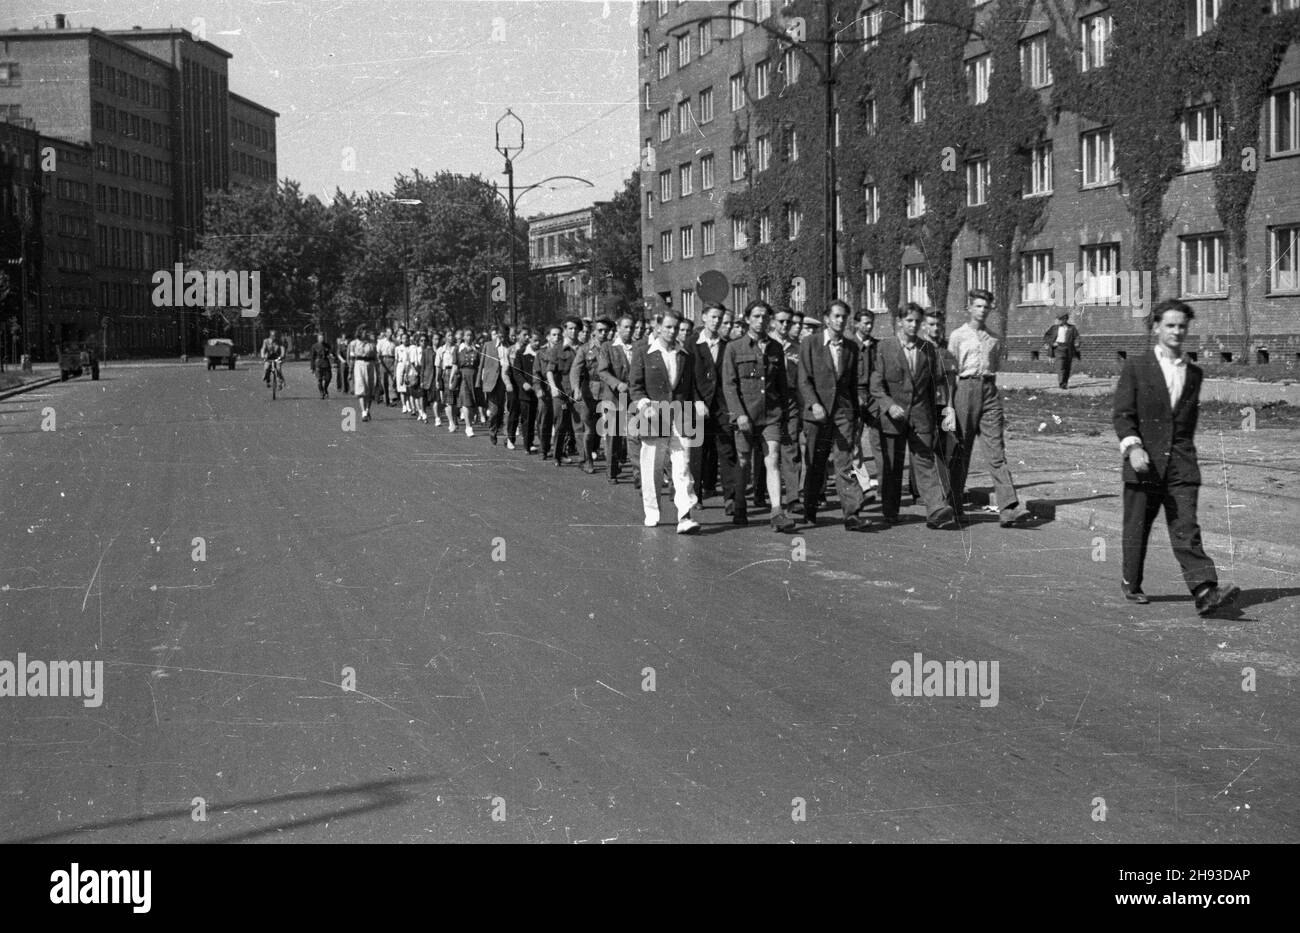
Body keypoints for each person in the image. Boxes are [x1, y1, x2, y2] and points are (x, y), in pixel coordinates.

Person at [1113, 299, 1240, 615]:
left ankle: (1204, 590)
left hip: (1180, 463)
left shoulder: (1194, 373)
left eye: (1182, 326)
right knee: (1138, 526)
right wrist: (1133, 447)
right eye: (1170, 325)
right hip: (1143, 462)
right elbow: (1123, 414)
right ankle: (1131, 581)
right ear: (1156, 327)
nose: (1177, 331)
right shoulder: (1137, 367)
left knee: (1186, 526)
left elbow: (1186, 423)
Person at [870, 304, 956, 529]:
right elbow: (876, 385)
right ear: (899, 321)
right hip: (893, 417)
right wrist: (888, 406)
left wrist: (936, 415)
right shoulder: (884, 347)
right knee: (893, 466)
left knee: (925, 462)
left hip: (920, 416)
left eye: (917, 322)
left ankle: (936, 509)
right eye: (909, 320)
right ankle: (890, 511)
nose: (913, 325)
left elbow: (933, 384)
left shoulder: (927, 349)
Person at [948, 290, 1029, 527]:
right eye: (978, 306)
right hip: (965, 389)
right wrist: (950, 406)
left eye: (986, 307)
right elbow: (952, 371)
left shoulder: (993, 338)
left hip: (989, 391)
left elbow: (994, 365)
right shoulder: (958, 336)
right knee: (961, 451)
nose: (982, 310)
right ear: (970, 308)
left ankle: (1008, 507)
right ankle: (954, 506)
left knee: (996, 451)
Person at [798, 300, 871, 531]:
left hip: (842, 414)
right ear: (827, 318)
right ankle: (809, 509)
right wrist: (813, 404)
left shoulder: (851, 347)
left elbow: (853, 383)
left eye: (844, 317)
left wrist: (856, 411)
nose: (840, 321)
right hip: (817, 414)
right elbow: (803, 379)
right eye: (836, 316)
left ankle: (852, 514)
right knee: (816, 463)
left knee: (844, 463)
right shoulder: (810, 343)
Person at [722, 300, 795, 533]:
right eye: (756, 316)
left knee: (772, 459)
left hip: (771, 415)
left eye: (764, 316)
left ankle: (776, 512)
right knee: (743, 461)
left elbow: (782, 384)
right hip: (745, 415)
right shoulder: (734, 348)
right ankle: (740, 504)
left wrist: (783, 412)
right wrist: (739, 414)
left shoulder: (775, 348)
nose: (761, 320)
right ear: (747, 319)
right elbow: (729, 385)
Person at [630, 309, 701, 534]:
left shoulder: (684, 355)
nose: (672, 332)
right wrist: (644, 404)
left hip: (680, 416)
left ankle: (685, 516)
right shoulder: (644, 352)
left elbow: (689, 388)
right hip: (653, 417)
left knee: (682, 467)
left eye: (676, 328)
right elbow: (635, 385)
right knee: (652, 467)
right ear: (658, 327)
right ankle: (652, 511)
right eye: (668, 327)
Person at [688, 304, 737, 511]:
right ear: (703, 318)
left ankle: (730, 498)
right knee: (698, 452)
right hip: (698, 406)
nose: (717, 321)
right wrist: (697, 400)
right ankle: (696, 496)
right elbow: (687, 377)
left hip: (722, 406)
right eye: (713, 317)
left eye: (720, 318)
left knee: (727, 451)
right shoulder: (692, 344)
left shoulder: (728, 345)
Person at [598, 314, 635, 484]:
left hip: (633, 397)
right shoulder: (608, 347)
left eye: (631, 327)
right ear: (618, 329)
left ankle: (638, 474)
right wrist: (616, 383)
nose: (629, 330)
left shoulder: (638, 347)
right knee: (613, 434)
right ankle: (612, 471)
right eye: (626, 327)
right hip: (613, 397)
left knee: (635, 435)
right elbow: (603, 371)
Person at [571, 318, 611, 473]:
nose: (603, 334)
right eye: (600, 330)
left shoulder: (612, 348)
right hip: (590, 393)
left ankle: (611, 464)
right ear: (594, 331)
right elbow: (575, 369)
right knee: (589, 429)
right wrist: (576, 388)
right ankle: (587, 460)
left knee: (609, 428)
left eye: (606, 331)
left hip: (608, 392)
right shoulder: (585, 349)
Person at [850, 309, 882, 500]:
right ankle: (863, 485)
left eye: (871, 323)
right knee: (853, 442)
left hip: (874, 397)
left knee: (879, 440)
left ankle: (884, 486)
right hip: (854, 395)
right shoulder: (849, 345)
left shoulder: (877, 346)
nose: (869, 327)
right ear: (856, 324)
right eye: (865, 323)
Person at [548, 317, 581, 466]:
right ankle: (557, 455)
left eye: (576, 329)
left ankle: (582, 456)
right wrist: (554, 387)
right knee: (561, 423)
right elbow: (549, 371)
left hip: (578, 392)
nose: (573, 331)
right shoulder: (557, 348)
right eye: (570, 328)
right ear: (565, 330)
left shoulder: (583, 348)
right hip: (561, 392)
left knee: (578, 424)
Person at [478, 325, 513, 444]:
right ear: (497, 334)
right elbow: (481, 364)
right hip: (492, 382)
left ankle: (507, 436)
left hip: (507, 381)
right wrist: (479, 382)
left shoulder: (510, 346)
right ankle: (493, 431)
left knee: (507, 409)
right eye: (501, 335)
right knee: (494, 411)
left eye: (505, 336)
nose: (503, 338)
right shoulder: (488, 345)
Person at [509, 328, 538, 452]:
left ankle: (531, 441)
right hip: (525, 391)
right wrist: (524, 383)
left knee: (534, 418)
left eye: (539, 341)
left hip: (538, 390)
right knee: (526, 418)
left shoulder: (541, 353)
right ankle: (527, 444)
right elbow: (516, 372)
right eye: (534, 340)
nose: (537, 343)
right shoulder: (521, 353)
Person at [535, 326, 558, 458]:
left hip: (559, 389)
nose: (556, 338)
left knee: (560, 422)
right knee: (544, 420)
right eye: (553, 335)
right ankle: (544, 448)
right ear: (548, 337)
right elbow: (536, 373)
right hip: (545, 390)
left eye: (558, 335)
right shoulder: (541, 353)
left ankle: (559, 451)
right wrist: (538, 389)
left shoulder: (564, 352)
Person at [1042, 311, 1082, 389]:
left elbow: (1077, 337)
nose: (1059, 321)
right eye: (1058, 319)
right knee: (1061, 365)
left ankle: (1065, 382)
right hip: (1059, 348)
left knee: (1067, 366)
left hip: (1069, 348)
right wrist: (1052, 343)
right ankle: (1061, 383)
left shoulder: (1072, 328)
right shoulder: (1054, 328)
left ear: (1065, 319)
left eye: (1061, 319)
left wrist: (1077, 343)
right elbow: (1046, 336)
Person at [454, 330, 479, 436]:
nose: (469, 337)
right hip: (463, 375)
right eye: (467, 335)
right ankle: (468, 427)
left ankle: (471, 422)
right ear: (464, 337)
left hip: (474, 376)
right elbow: (455, 365)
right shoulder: (458, 349)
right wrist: (452, 379)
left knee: (473, 403)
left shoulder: (477, 349)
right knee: (466, 401)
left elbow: (479, 364)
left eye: (471, 335)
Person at [352, 328, 378, 421]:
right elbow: (351, 357)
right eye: (364, 332)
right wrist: (350, 370)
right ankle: (363, 412)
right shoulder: (354, 343)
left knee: (370, 388)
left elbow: (375, 356)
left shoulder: (372, 344)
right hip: (359, 364)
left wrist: (377, 370)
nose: (366, 333)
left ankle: (367, 409)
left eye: (367, 332)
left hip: (370, 365)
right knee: (361, 388)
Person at [376, 328, 397, 407]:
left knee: (391, 380)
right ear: (386, 333)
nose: (390, 334)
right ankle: (386, 398)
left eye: (392, 333)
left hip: (392, 360)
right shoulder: (381, 342)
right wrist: (379, 361)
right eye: (389, 332)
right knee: (383, 381)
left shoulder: (395, 342)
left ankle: (391, 399)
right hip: (383, 360)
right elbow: (378, 352)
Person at [309, 332, 332, 399]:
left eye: (323, 338)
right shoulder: (314, 346)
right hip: (318, 364)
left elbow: (331, 353)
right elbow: (312, 357)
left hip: (326, 364)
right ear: (318, 338)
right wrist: (312, 368)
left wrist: (331, 355)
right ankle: (321, 392)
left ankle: (325, 389)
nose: (322, 339)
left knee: (328, 378)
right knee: (319, 380)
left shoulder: (327, 345)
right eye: (320, 338)